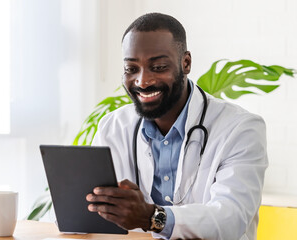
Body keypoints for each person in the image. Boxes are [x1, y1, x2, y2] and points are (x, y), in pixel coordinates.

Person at [86, 12, 268, 240]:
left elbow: (230, 219)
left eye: (159, 67)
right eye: (131, 69)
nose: (143, 81)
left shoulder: (240, 128)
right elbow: (83, 214)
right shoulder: (113, 126)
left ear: (186, 62)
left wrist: (151, 217)